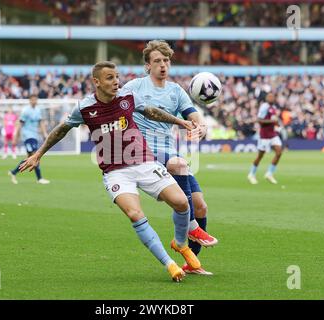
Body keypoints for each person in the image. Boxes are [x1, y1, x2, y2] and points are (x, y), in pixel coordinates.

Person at [18, 61, 202, 282]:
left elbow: (152, 112)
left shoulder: (127, 96)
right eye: (110, 78)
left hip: (144, 162)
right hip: (116, 172)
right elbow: (61, 130)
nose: (116, 81)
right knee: (135, 214)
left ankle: (180, 244)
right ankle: (170, 264)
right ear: (96, 81)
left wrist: (180, 122)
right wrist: (38, 154)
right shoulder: (85, 108)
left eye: (117, 77)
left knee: (181, 203)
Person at [123, 40, 218, 276]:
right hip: (142, 150)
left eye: (166, 61)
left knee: (201, 205)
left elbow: (194, 116)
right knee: (180, 163)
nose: (163, 65)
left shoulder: (176, 91)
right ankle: (192, 228)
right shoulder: (134, 86)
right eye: (157, 61)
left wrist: (202, 127)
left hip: (169, 151)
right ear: (147, 66)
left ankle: (191, 261)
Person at [8, 94, 50, 185]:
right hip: (27, 136)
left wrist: (44, 134)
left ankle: (13, 172)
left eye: (36, 99)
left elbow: (41, 122)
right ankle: (39, 178)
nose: (35, 101)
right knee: (35, 155)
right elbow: (20, 124)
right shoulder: (25, 111)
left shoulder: (38, 110)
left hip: (34, 136)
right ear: (30, 100)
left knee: (30, 157)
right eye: (33, 99)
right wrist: (16, 137)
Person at [247, 92, 283, 185]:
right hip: (264, 136)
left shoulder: (274, 108)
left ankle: (269, 173)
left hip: (273, 134)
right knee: (260, 156)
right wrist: (272, 121)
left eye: (272, 96)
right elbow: (259, 120)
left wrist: (277, 124)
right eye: (269, 96)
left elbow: (274, 120)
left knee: (279, 152)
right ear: (266, 98)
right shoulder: (264, 107)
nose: (270, 98)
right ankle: (251, 174)